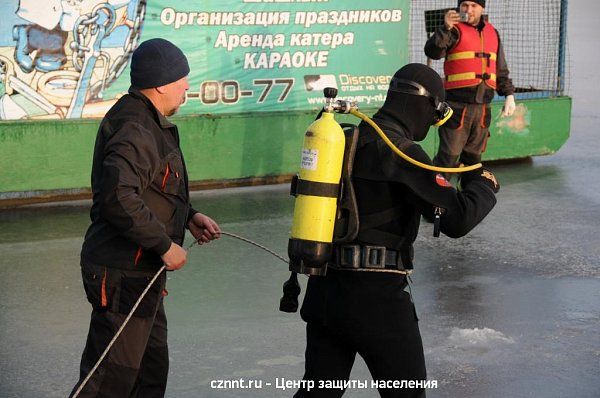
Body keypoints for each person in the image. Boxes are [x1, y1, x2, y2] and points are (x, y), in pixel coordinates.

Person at [294, 63, 499, 398]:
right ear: (427, 106)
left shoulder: (344, 138)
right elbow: (456, 220)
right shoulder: (402, 152)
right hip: (377, 301)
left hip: (325, 291)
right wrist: (485, 187)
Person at [70, 38, 221, 398]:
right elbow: (118, 197)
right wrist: (164, 245)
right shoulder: (136, 126)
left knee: (148, 374)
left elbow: (152, 188)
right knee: (110, 380)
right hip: (124, 272)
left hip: (143, 273)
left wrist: (188, 216)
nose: (187, 86)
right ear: (161, 83)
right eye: (182, 78)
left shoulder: (148, 121)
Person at [425, 0, 516, 175]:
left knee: (473, 161)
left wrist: (509, 95)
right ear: (459, 7)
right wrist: (445, 28)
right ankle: (435, 200)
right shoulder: (453, 31)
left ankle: (468, 199)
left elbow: (500, 69)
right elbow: (432, 52)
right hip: (456, 108)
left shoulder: (492, 33)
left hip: (482, 110)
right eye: (465, 5)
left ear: (482, 8)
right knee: (447, 160)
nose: (469, 10)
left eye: (474, 5)